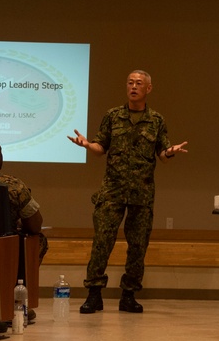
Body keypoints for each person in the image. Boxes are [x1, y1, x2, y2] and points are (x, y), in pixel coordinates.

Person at [68, 69, 188, 313]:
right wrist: (88, 144)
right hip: (112, 191)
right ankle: (94, 294)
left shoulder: (156, 120)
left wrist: (171, 152)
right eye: (130, 82)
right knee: (102, 242)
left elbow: (162, 155)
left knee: (137, 247)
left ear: (148, 89)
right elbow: (101, 148)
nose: (133, 86)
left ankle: (129, 295)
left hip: (141, 195)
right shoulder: (113, 116)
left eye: (139, 83)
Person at [0, 134, 48, 263]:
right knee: (40, 239)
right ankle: (23, 281)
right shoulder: (14, 185)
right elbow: (35, 225)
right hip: (6, 247)